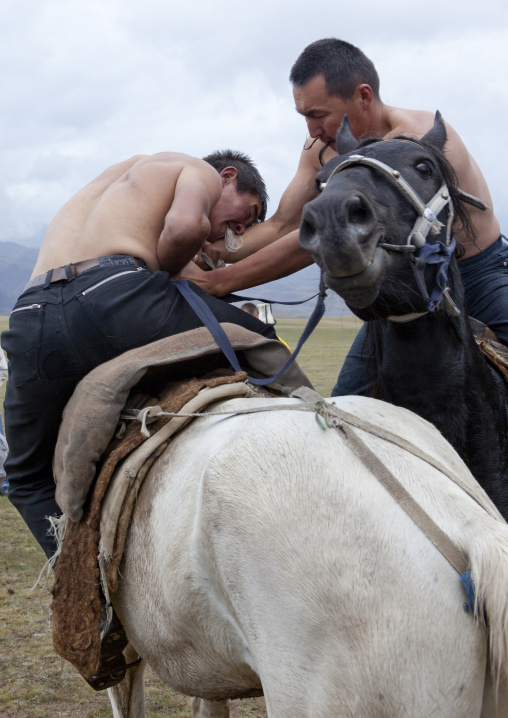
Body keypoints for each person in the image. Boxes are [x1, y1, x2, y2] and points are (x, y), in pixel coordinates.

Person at [178, 38, 507, 396]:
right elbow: (282, 225)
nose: (311, 131)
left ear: (363, 96)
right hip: (403, 290)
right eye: (304, 116)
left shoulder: (414, 141)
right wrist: (210, 249)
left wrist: (219, 283)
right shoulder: (320, 149)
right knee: (347, 406)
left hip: (480, 276)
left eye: (319, 115)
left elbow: (323, 238)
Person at [1, 149, 276, 561]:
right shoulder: (197, 170)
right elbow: (185, 226)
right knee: (262, 341)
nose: (236, 231)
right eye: (246, 215)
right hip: (115, 294)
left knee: (24, 476)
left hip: (30, 315)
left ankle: (82, 582)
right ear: (229, 178)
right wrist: (169, 273)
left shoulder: (109, 183)